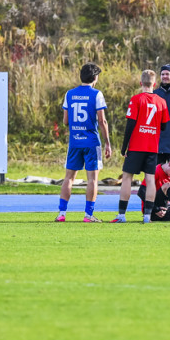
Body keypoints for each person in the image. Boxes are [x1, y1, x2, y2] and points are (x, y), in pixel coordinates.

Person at [56, 62, 112, 222]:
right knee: (92, 179)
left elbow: (65, 121)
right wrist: (107, 142)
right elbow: (102, 121)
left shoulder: (70, 94)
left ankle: (62, 214)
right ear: (95, 78)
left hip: (75, 142)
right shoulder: (96, 94)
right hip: (91, 142)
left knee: (69, 178)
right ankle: (88, 215)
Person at [110, 69, 168, 223]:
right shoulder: (161, 101)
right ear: (154, 84)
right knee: (150, 180)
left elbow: (130, 124)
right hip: (152, 146)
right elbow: (164, 126)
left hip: (136, 146)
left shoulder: (136, 99)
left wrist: (124, 147)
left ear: (141, 83)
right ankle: (147, 215)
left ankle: (122, 215)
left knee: (127, 177)